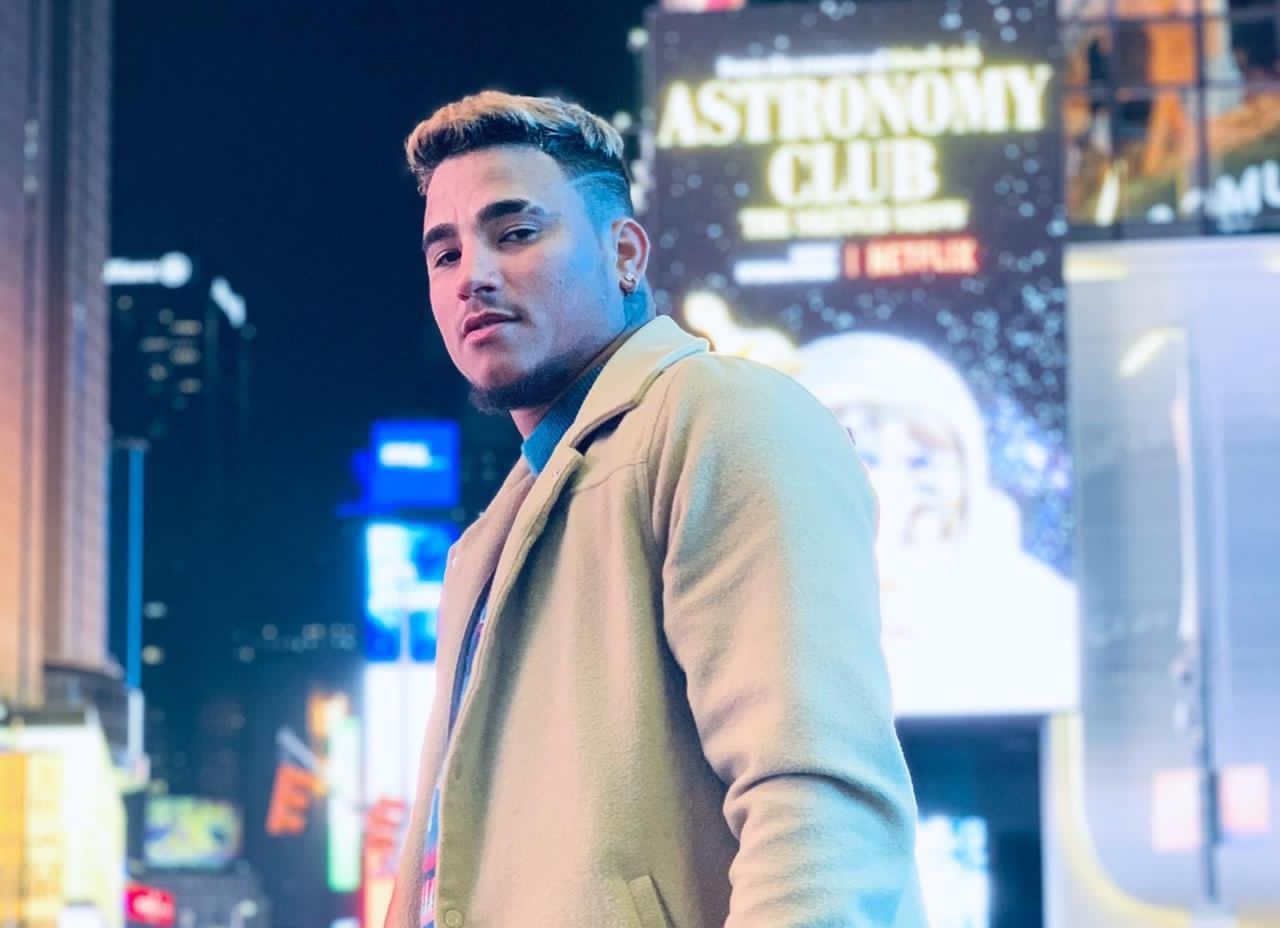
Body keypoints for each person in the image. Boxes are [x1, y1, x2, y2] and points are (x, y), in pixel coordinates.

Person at [387, 90, 925, 928]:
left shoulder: (726, 416)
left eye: (515, 232)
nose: (473, 276)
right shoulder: (489, 539)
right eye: (445, 253)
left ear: (625, 254)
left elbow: (818, 802)